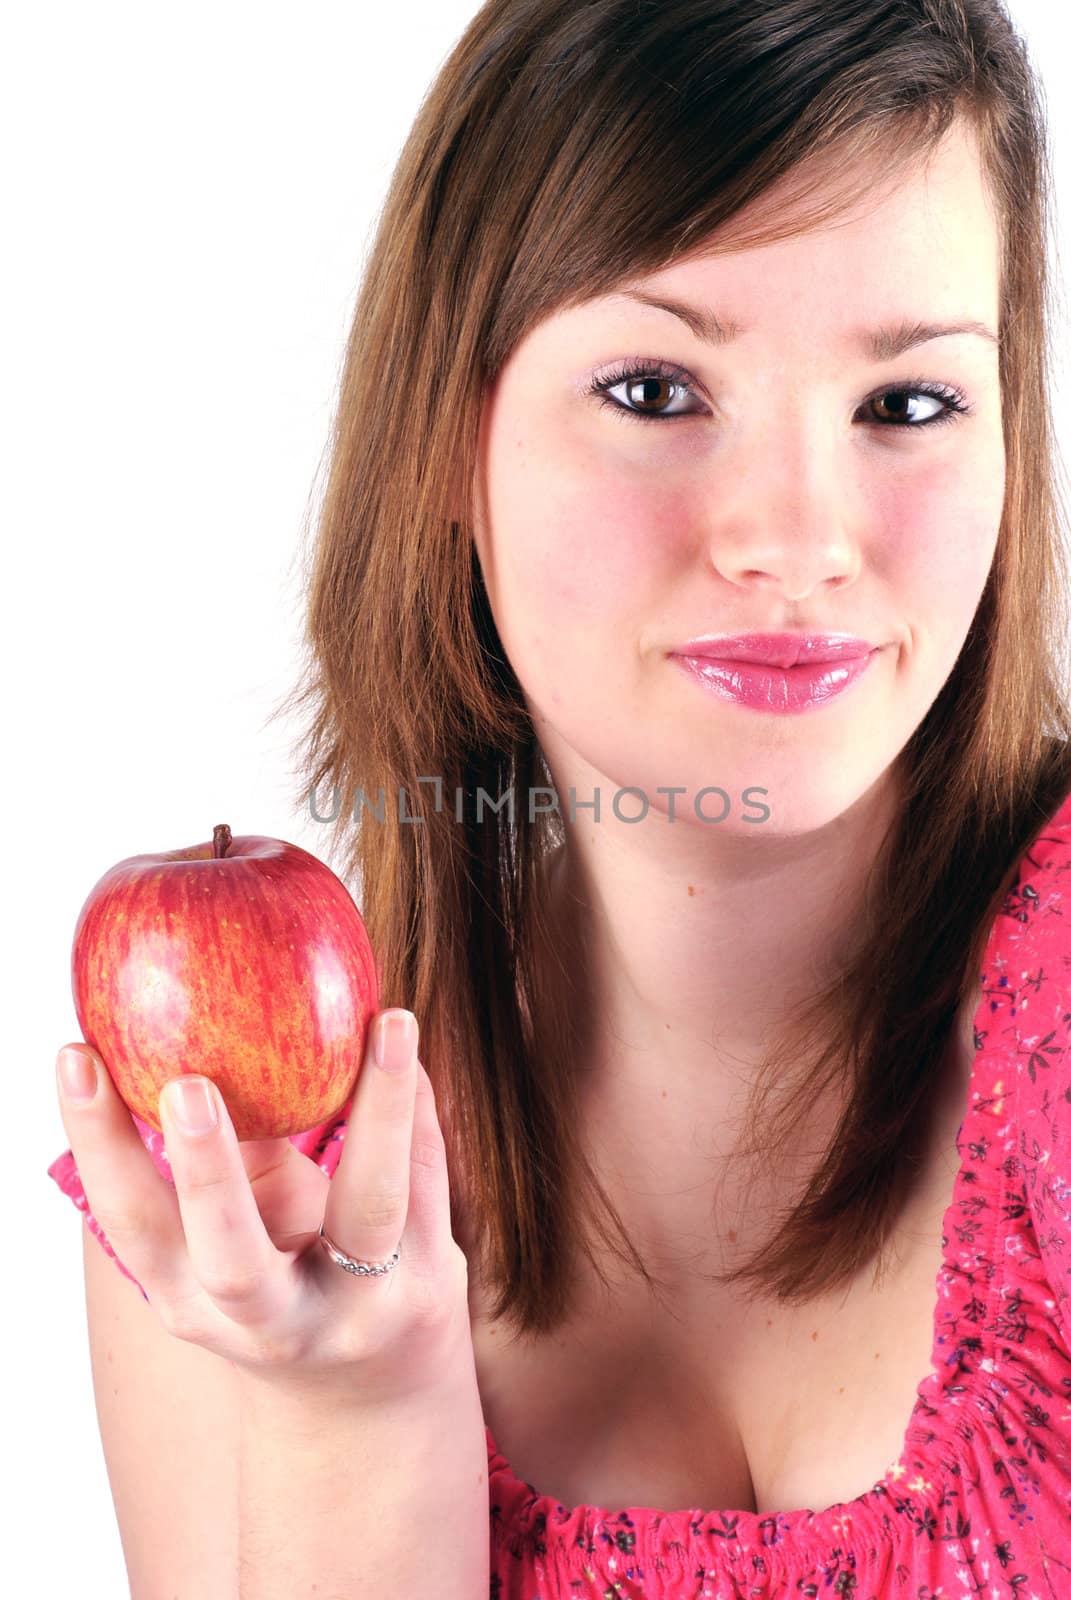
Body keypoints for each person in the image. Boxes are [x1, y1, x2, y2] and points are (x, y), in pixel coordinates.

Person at [48, 1, 1071, 1595]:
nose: (796, 539)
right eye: (659, 392)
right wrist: (350, 1415)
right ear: (449, 441)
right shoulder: (243, 1187)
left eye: (910, 402)